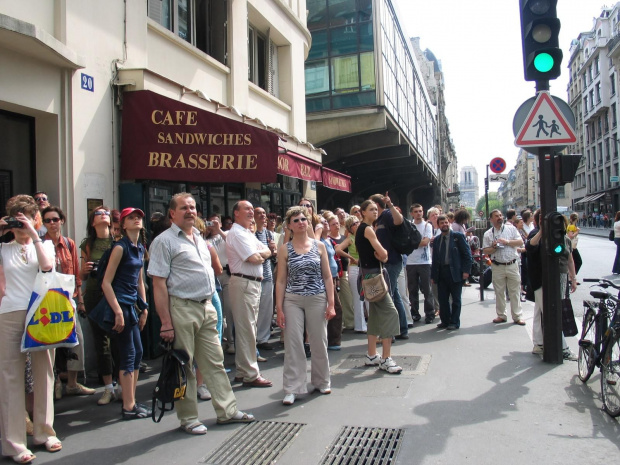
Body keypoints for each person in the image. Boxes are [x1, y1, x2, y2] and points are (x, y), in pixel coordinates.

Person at [149, 193, 255, 434]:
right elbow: (158, 284)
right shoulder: (163, 242)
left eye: (193, 207)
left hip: (206, 306)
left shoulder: (198, 237)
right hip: (182, 308)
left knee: (215, 362)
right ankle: (188, 419)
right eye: (184, 208)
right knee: (183, 365)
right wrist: (165, 322)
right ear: (172, 213)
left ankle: (227, 412)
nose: (190, 211)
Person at [0, 195, 60, 463]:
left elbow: (47, 266)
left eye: (27, 217)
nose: (21, 224)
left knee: (44, 372)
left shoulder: (44, 243)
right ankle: (14, 443)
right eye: (17, 218)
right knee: (10, 377)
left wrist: (35, 234)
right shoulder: (2, 248)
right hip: (10, 312)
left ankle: (44, 432)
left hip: (41, 313)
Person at [275, 206, 336, 405]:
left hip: (317, 297)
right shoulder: (285, 249)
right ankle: (293, 387)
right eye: (296, 220)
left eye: (304, 219)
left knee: (319, 340)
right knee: (293, 344)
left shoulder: (319, 246)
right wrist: (279, 307)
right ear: (289, 226)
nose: (301, 222)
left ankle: (321, 380)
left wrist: (331, 303)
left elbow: (327, 276)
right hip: (292, 299)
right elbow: (281, 280)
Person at [100, 208, 150, 419]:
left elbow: (140, 281)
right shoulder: (120, 248)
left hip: (133, 305)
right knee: (129, 354)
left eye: (138, 216)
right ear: (123, 224)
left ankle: (131, 399)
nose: (136, 219)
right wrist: (118, 311)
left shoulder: (139, 248)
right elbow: (106, 282)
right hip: (121, 304)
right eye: (131, 217)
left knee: (137, 353)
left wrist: (145, 307)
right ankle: (128, 406)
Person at [41, 206, 95, 398]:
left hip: (68, 298)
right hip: (47, 300)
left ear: (62, 220)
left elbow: (74, 275)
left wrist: (80, 300)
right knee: (51, 344)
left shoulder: (69, 243)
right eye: (47, 220)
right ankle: (54, 383)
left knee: (77, 339)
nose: (52, 223)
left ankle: (72, 382)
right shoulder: (40, 243)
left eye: (55, 219)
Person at [226, 200, 273, 387]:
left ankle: (242, 370)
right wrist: (262, 254)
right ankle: (251, 374)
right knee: (247, 329)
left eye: (252, 209)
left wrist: (263, 253)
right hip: (244, 282)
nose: (251, 212)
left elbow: (268, 250)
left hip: (251, 283)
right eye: (247, 209)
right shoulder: (237, 233)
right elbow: (254, 258)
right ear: (236, 213)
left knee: (248, 329)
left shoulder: (246, 233)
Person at [356, 200, 402, 374]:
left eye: (376, 209)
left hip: (367, 275)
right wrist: (383, 257)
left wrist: (382, 257)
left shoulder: (363, 229)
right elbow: (384, 254)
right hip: (374, 276)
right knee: (390, 313)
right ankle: (386, 358)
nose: (375, 212)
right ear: (363, 212)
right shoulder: (367, 229)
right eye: (371, 209)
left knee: (375, 315)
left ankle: (371, 354)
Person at [526, 210, 578, 360]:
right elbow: (530, 246)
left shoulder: (563, 238)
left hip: (559, 278)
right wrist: (542, 230)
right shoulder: (537, 234)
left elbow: (569, 259)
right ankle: (562, 348)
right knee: (552, 312)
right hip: (541, 280)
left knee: (541, 311)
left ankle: (539, 344)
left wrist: (573, 278)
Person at [80, 206, 118, 405]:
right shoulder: (88, 244)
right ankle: (108, 388)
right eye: (98, 213)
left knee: (119, 340)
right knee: (101, 342)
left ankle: (122, 385)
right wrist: (84, 270)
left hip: (114, 294)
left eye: (106, 213)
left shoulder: (117, 241)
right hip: (95, 294)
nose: (103, 215)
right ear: (92, 221)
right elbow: (82, 275)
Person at [369, 193, 408, 340]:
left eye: (371, 205)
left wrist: (390, 205)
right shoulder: (379, 219)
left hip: (392, 261)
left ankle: (389, 334)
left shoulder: (386, 214)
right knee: (395, 295)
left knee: (388, 297)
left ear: (376, 205)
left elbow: (399, 221)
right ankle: (402, 329)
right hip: (388, 261)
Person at [481, 209, 525, 325]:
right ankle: (501, 315)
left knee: (515, 291)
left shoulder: (511, 229)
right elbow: (485, 250)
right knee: (499, 291)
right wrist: (494, 247)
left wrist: (507, 242)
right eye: (496, 216)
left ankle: (517, 316)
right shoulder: (488, 234)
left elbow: (520, 242)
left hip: (512, 264)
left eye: (500, 215)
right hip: (497, 266)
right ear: (491, 219)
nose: (499, 217)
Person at [431, 215, 472, 330]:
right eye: (441, 223)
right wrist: (433, 275)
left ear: (449, 223)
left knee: (456, 299)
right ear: (438, 226)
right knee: (443, 299)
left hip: (455, 272)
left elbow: (467, 254)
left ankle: (454, 322)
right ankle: (445, 320)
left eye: (446, 222)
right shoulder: (437, 239)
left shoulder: (457, 236)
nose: (444, 225)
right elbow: (435, 259)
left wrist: (466, 271)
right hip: (441, 273)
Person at [335, 216, 366, 333]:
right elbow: (338, 249)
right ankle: (360, 326)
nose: (357, 225)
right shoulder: (350, 238)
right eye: (354, 224)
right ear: (350, 227)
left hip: (366, 267)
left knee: (369, 297)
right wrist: (351, 258)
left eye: (358, 222)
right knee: (358, 298)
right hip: (354, 269)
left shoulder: (365, 235)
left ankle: (371, 325)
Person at [406, 204, 435, 324]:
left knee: (427, 289)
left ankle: (430, 313)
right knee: (412, 289)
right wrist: (417, 241)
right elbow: (407, 241)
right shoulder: (409, 225)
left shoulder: (427, 225)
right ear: (412, 213)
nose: (419, 213)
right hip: (410, 262)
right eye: (416, 211)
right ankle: (415, 313)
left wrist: (412, 243)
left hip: (424, 262)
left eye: (420, 211)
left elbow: (425, 242)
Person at [254, 207, 277, 351]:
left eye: (264, 213)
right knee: (255, 309)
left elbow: (272, 253)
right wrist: (268, 252)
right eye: (259, 214)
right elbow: (254, 254)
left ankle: (262, 338)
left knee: (266, 309)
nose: (263, 216)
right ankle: (254, 338)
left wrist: (271, 250)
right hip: (255, 276)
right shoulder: (251, 233)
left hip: (267, 274)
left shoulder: (269, 233)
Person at [321, 214, 343, 350]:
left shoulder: (328, 240)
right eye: (323, 223)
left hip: (334, 277)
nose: (326, 225)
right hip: (325, 278)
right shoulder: (320, 241)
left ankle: (331, 339)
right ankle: (333, 341)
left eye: (326, 223)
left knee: (333, 308)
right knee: (336, 308)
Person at [331, 209, 354, 330]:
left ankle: (350, 322)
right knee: (336, 300)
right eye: (333, 223)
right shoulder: (328, 238)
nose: (337, 225)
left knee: (347, 298)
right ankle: (338, 325)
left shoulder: (344, 236)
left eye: (337, 223)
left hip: (344, 270)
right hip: (333, 272)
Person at [566, 212, 582, 277]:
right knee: (578, 261)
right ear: (576, 219)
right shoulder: (572, 226)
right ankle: (572, 276)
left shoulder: (571, 225)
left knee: (574, 262)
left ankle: (571, 276)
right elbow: (570, 236)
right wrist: (577, 232)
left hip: (572, 246)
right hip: (572, 247)